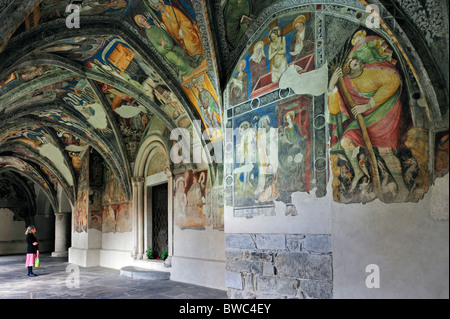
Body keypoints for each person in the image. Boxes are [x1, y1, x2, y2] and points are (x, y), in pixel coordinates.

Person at [328, 56, 410, 201]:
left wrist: (367, 105)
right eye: (353, 62)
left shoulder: (371, 73)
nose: (357, 63)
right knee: (345, 142)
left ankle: (402, 187)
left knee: (385, 151)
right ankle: (359, 173)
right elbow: (334, 109)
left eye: (359, 62)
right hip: (363, 119)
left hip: (383, 111)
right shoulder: (345, 82)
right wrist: (331, 85)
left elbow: (393, 82)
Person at [134, 14, 202, 80]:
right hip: (167, 52)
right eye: (140, 20)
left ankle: (193, 68)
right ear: (140, 24)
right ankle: (191, 73)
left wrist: (160, 27)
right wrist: (163, 45)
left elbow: (165, 34)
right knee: (180, 62)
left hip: (172, 47)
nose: (142, 19)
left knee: (184, 55)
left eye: (142, 18)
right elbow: (156, 47)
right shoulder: (148, 33)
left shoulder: (154, 27)